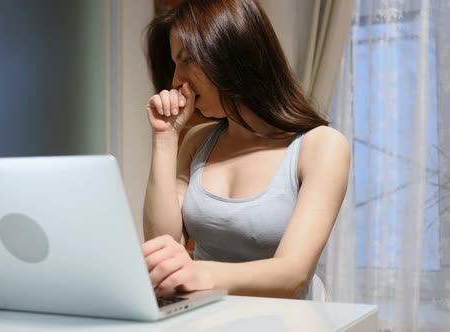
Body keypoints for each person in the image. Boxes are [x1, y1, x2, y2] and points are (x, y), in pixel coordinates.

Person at [141, 0, 350, 300]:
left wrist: (200, 273)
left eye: (186, 59)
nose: (175, 81)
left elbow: (292, 272)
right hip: (208, 318)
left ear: (228, 52)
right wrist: (165, 138)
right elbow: (165, 244)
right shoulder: (197, 141)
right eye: (175, 64)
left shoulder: (322, 146)